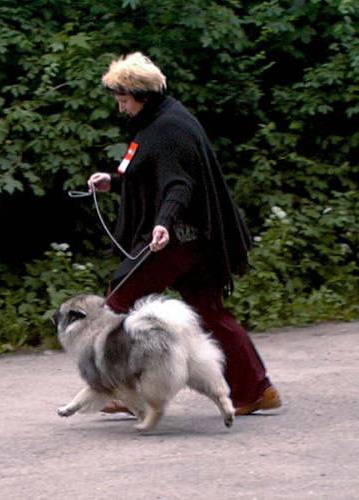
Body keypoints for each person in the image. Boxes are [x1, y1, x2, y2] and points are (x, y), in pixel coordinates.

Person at [87, 52, 281, 416]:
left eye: (123, 99)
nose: (120, 106)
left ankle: (127, 391)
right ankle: (257, 389)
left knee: (118, 303)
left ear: (142, 95)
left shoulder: (169, 129)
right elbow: (149, 174)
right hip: (193, 239)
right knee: (208, 310)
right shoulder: (159, 120)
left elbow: (178, 184)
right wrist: (113, 181)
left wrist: (163, 223)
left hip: (175, 238)